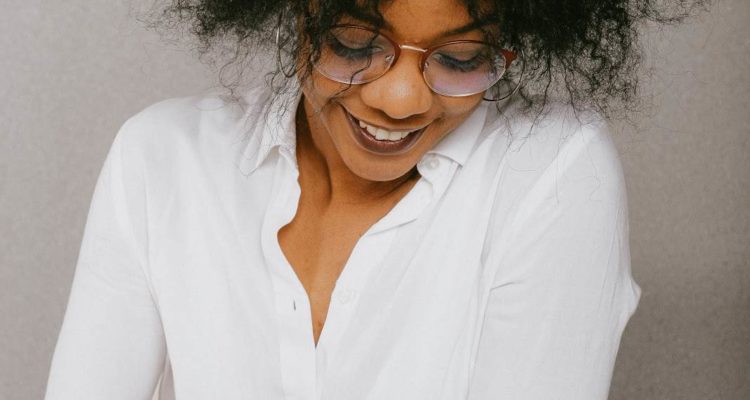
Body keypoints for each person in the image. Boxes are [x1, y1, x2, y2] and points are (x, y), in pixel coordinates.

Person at [44, 0, 701, 399]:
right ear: (299, 16)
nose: (401, 99)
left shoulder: (549, 171)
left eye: (462, 58)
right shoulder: (163, 158)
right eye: (356, 44)